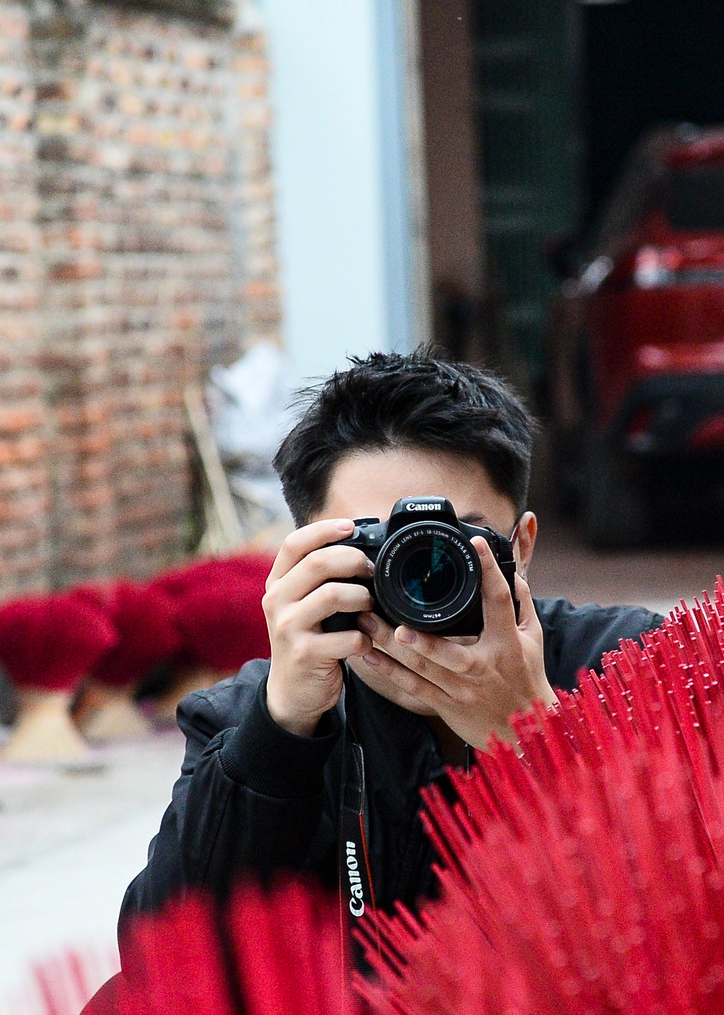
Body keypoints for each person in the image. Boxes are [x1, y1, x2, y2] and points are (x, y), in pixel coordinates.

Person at [118, 350, 662, 938]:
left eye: (456, 540)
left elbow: (707, 906)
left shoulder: (627, 665)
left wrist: (535, 734)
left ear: (521, 546)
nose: (421, 573)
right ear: (310, 553)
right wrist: (279, 732)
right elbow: (163, 960)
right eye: (381, 546)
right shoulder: (250, 711)